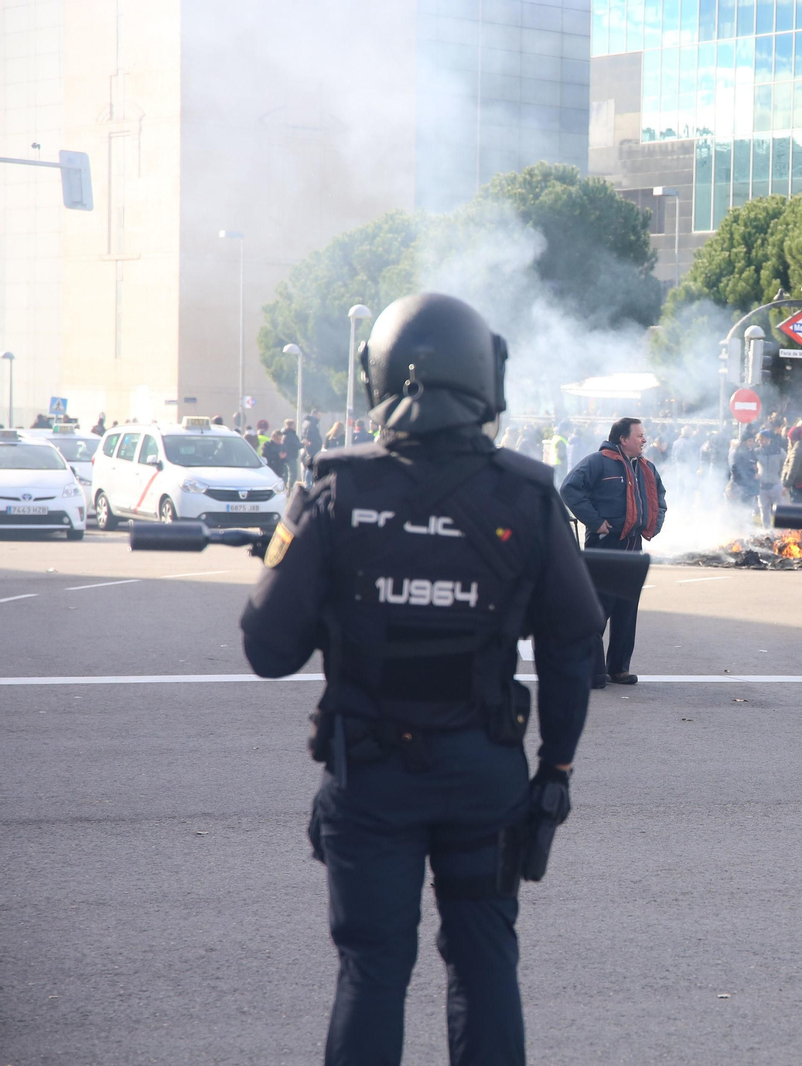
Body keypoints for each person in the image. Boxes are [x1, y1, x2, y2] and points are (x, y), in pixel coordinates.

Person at [238, 293, 603, 1066]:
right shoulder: (528, 495)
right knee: (483, 966)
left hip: (369, 776)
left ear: (378, 378)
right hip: (485, 773)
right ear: (485, 378)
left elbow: (268, 649)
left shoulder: (334, 489)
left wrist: (288, 560)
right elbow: (577, 641)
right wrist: (557, 770)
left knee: (371, 973)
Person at [560, 417, 667, 689]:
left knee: (626, 609)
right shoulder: (597, 462)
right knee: (598, 609)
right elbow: (569, 489)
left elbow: (660, 500)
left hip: (633, 545)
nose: (644, 439)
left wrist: (654, 525)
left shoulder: (647, 467)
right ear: (623, 439)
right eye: (639, 435)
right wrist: (596, 522)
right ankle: (591, 671)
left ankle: (618, 669)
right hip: (605, 545)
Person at [755, 429, 785, 526]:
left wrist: (783, 475)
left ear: (769, 440)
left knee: (780, 509)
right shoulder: (756, 452)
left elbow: (787, 462)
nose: (760, 442)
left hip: (776, 484)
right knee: (764, 510)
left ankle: (781, 530)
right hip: (762, 485)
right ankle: (766, 531)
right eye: (759, 440)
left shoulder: (778, 450)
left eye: (762, 439)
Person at [781, 423, 802, 504]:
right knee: (799, 508)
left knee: (796, 509)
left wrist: (786, 484)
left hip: (796, 483)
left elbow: (793, 468)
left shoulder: (797, 450)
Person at [281, 419, 302, 483]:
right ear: (290, 426)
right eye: (294, 425)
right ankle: (290, 489)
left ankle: (288, 488)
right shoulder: (290, 434)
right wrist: (303, 444)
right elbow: (295, 445)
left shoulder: (286, 434)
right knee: (293, 474)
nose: (295, 426)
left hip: (287, 456)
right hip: (290, 457)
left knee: (287, 474)